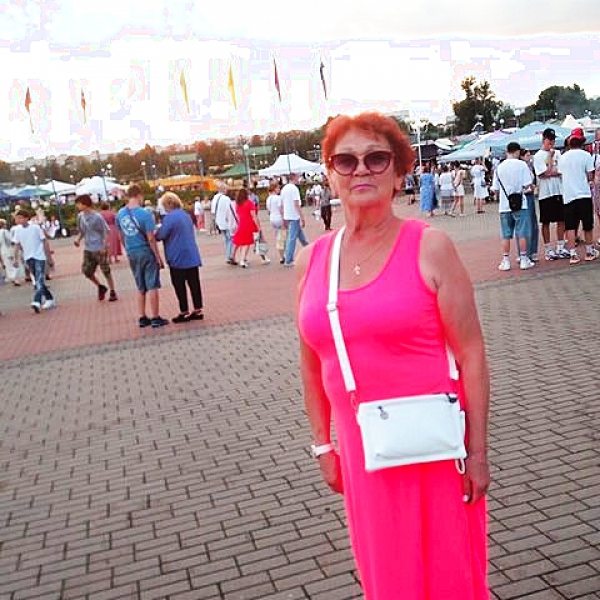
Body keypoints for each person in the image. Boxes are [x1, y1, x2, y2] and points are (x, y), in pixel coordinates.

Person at [296, 112, 490, 600]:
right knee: (388, 579)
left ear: (400, 172)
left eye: (376, 158)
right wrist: (323, 446)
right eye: (346, 160)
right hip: (364, 456)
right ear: (330, 174)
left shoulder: (430, 247)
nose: (361, 169)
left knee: (448, 577)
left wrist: (478, 452)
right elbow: (312, 363)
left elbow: (471, 352)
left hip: (435, 448)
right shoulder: (313, 259)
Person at [116, 184, 168, 328]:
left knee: (140, 286)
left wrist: (127, 249)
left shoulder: (120, 214)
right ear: (139, 195)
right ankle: (155, 317)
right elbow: (151, 238)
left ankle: (142, 316)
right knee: (152, 285)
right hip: (145, 251)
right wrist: (158, 257)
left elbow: (121, 235)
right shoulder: (145, 214)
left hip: (132, 251)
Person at [155, 192, 205, 322]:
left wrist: (155, 232)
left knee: (179, 284)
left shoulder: (169, 218)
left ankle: (184, 311)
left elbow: (161, 235)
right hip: (191, 254)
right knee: (194, 283)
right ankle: (198, 309)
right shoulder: (186, 215)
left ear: (168, 204)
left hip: (177, 256)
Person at [557, 128, 599, 264]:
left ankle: (573, 254)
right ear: (582, 143)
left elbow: (560, 173)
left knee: (570, 226)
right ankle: (589, 251)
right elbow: (590, 175)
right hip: (583, 194)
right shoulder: (586, 156)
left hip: (568, 195)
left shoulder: (563, 157)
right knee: (587, 224)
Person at [491, 142, 534, 271]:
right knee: (522, 233)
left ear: (507, 151)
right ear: (517, 151)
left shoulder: (499, 167)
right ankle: (524, 259)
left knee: (506, 234)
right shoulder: (522, 165)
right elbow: (528, 184)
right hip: (521, 203)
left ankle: (506, 261)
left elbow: (495, 188)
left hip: (504, 205)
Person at [533, 128, 569, 261]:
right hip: (545, 193)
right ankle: (548, 249)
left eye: (553, 140)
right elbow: (543, 174)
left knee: (561, 219)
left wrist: (554, 171)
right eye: (549, 140)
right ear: (544, 140)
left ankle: (560, 246)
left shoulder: (558, 153)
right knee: (546, 221)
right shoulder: (538, 156)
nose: (552, 143)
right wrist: (550, 160)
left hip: (559, 190)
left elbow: (562, 170)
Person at [74, 195, 118, 301]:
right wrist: (78, 239)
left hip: (99, 247)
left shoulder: (97, 217)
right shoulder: (80, 217)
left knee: (105, 270)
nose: (77, 206)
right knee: (87, 271)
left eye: (79, 204)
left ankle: (112, 291)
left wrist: (104, 246)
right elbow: (82, 231)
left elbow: (105, 231)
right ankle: (100, 286)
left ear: (85, 204)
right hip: (88, 248)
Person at [12, 208, 56, 313]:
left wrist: (49, 257)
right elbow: (16, 245)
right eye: (17, 218)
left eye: (21, 218)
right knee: (38, 279)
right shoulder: (17, 230)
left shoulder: (35, 228)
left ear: (26, 218)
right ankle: (49, 298)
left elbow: (45, 241)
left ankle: (37, 301)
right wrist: (15, 259)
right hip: (28, 257)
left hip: (39, 256)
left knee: (39, 279)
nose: (19, 220)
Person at [232, 188, 264, 268]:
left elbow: (237, 215)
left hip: (241, 224)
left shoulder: (238, 204)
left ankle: (236, 257)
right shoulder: (249, 203)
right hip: (249, 224)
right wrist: (258, 226)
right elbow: (254, 216)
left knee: (240, 241)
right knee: (246, 243)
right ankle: (242, 260)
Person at [282, 173, 308, 266]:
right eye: (297, 177)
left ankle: (309, 249)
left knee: (300, 236)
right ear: (294, 178)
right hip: (294, 215)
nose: (298, 179)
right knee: (292, 237)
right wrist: (302, 217)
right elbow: (296, 204)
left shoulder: (284, 189)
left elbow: (283, 203)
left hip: (288, 214)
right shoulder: (294, 189)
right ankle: (288, 259)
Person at [519, 150, 540, 261]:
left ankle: (532, 251)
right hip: (526, 195)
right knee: (528, 224)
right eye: (527, 155)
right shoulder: (522, 167)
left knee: (532, 223)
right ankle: (526, 252)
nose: (530, 157)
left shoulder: (530, 167)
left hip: (530, 195)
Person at [212, 183, 238, 264]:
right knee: (231, 239)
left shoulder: (215, 198)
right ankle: (229, 256)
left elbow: (213, 211)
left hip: (218, 221)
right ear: (223, 189)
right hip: (226, 222)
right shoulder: (226, 199)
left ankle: (228, 255)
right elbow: (230, 211)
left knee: (227, 239)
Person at [266, 181, 286, 263]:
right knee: (283, 237)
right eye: (278, 188)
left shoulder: (268, 199)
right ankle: (284, 255)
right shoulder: (278, 198)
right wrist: (284, 220)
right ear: (274, 189)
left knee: (278, 237)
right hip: (279, 218)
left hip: (272, 218)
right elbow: (281, 210)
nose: (279, 189)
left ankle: (281, 256)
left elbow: (268, 211)